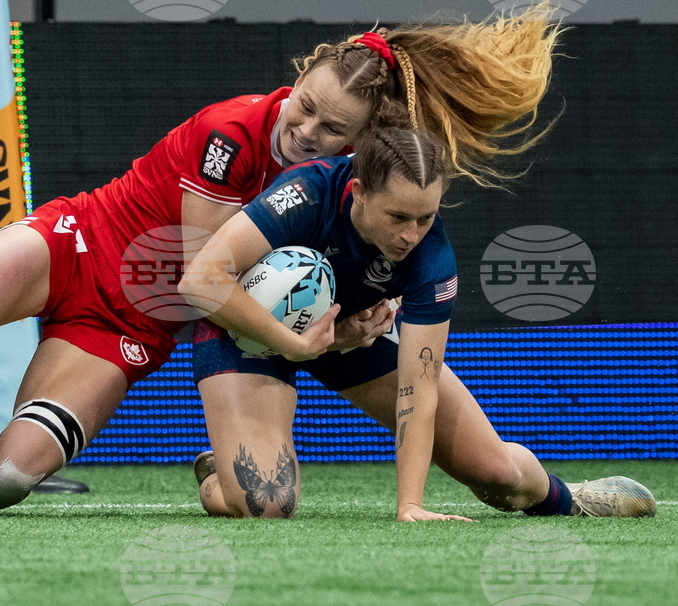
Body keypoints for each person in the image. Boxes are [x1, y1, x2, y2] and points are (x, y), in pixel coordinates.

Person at [0, 5, 564, 515]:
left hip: (127, 332)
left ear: (363, 140)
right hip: (82, 244)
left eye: (330, 129)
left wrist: (358, 318)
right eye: (302, 109)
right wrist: (317, 340)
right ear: (294, 82)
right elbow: (207, 281)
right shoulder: (232, 136)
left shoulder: (358, 188)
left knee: (3, 482)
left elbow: (278, 294)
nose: (304, 131)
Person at [181, 123, 657, 521]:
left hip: (355, 336)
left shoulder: (433, 259)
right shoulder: (306, 193)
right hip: (246, 330)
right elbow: (199, 281)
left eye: (426, 217)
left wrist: (410, 505)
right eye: (398, 216)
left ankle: (568, 497)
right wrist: (298, 344)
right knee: (267, 505)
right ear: (359, 192)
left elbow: (418, 388)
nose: (411, 235)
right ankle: (221, 474)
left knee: (500, 478)